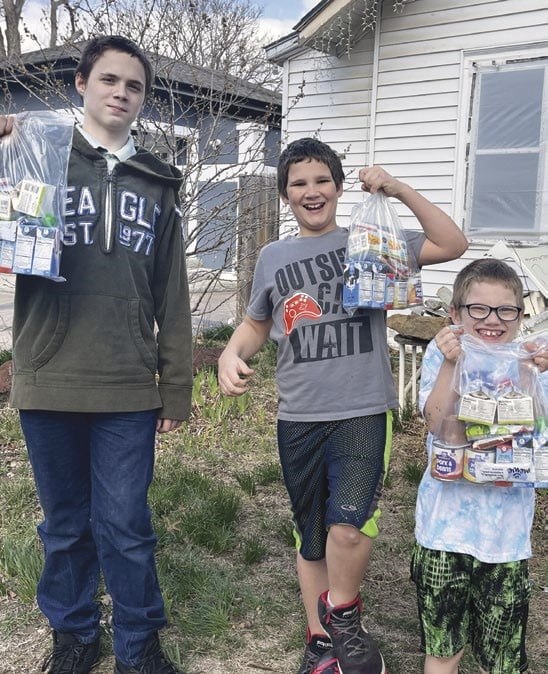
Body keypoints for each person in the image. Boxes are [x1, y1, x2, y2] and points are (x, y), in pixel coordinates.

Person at [218, 137, 469, 674]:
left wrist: (397, 188)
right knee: (310, 532)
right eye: (299, 184)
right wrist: (230, 355)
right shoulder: (273, 257)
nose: (312, 192)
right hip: (299, 414)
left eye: (321, 181)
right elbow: (257, 322)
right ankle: (319, 640)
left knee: (349, 526)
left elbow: (452, 244)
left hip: (361, 409)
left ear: (337, 186)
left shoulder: (371, 240)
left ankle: (344, 618)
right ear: (286, 196)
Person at [0, 36, 192, 674]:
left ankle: (139, 645)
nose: (121, 93)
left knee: (127, 525)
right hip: (48, 375)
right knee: (64, 527)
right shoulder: (35, 159)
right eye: (109, 79)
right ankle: (74, 635)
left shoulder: (159, 182)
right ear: (81, 84)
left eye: (133, 86)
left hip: (127, 385)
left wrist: (176, 383)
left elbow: (172, 288)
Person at [411, 258, 548, 674]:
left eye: (506, 310)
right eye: (478, 309)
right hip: (443, 532)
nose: (492, 320)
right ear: (456, 313)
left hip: (505, 539)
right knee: (442, 648)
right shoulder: (444, 352)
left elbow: (533, 437)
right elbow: (436, 424)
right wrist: (452, 363)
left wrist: (531, 373)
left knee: (502, 658)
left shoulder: (533, 361)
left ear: (521, 315)